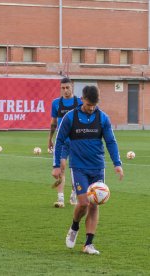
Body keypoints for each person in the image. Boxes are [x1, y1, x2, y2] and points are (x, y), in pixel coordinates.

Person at [51, 85, 123, 255]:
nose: (91, 108)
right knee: (83, 203)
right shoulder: (71, 117)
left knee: (94, 204)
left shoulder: (102, 118)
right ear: (82, 99)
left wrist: (117, 163)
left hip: (97, 167)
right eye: (89, 104)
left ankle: (88, 244)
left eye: (94, 105)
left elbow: (111, 142)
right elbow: (59, 140)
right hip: (79, 167)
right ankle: (75, 226)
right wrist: (56, 165)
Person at [48, 77, 82, 208]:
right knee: (61, 167)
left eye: (67, 87)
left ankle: (74, 193)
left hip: (76, 142)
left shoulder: (79, 102)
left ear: (72, 87)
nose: (65, 90)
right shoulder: (56, 103)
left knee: (76, 169)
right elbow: (53, 123)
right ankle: (60, 199)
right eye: (63, 88)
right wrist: (50, 138)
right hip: (61, 141)